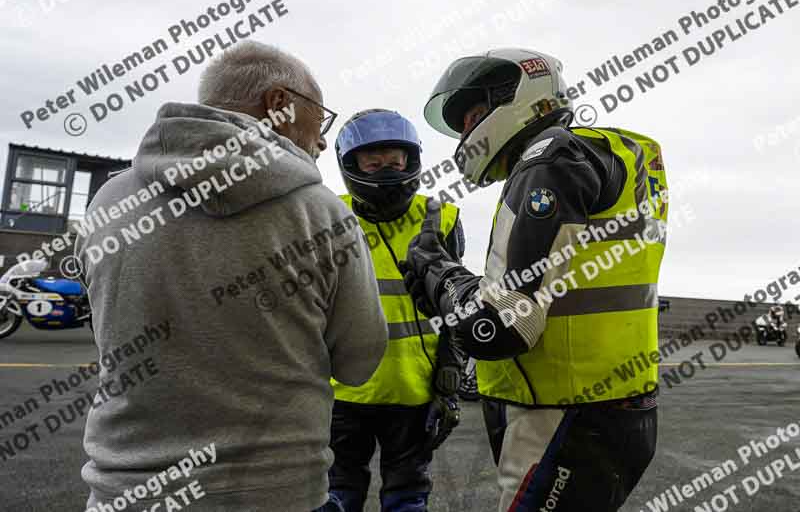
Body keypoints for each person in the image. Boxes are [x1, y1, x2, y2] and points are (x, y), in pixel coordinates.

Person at [75, 41, 388, 512]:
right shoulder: (322, 214)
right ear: (279, 104)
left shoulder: (108, 204)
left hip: (125, 493)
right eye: (319, 118)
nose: (322, 140)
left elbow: (108, 332)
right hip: (277, 493)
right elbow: (360, 363)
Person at [400, 48, 669, 511]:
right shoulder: (619, 151)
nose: (466, 135)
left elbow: (502, 326)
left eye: (473, 117)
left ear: (519, 94)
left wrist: (436, 271)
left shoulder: (550, 159)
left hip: (561, 415)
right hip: (618, 405)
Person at [329, 109, 465, 511]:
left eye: (395, 160)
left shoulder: (440, 217)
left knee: (407, 496)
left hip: (415, 390)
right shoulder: (327, 215)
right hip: (342, 394)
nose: (386, 169)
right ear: (352, 164)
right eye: (373, 160)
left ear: (411, 160)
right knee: (337, 494)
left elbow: (458, 305)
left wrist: (450, 378)